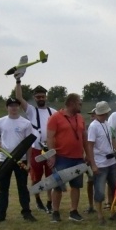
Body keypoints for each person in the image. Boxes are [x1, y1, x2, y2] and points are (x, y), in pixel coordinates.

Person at [0, 97, 37, 223]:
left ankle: (26, 212)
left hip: (20, 160)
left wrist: (29, 163)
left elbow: (28, 145)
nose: (14, 108)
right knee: (3, 188)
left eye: (16, 105)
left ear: (19, 107)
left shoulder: (25, 123)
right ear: (7, 107)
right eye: (11, 106)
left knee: (22, 187)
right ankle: (0, 214)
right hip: (4, 159)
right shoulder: (0, 122)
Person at [46, 93, 87, 222]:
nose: (81, 105)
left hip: (78, 157)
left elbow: (84, 138)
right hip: (61, 157)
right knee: (58, 186)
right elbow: (50, 138)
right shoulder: (55, 117)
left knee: (76, 185)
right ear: (72, 103)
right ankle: (55, 212)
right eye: (79, 103)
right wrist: (51, 155)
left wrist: (87, 155)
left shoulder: (80, 118)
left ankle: (73, 211)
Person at [16, 83, 55, 213]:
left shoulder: (53, 112)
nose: (40, 99)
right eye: (38, 97)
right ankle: (38, 200)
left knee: (50, 177)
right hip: (35, 148)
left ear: (46, 97)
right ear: (34, 98)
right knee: (36, 177)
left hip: (49, 149)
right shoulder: (32, 111)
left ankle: (50, 201)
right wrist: (18, 82)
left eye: (42, 96)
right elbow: (19, 98)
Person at [85, 101, 116, 224]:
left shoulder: (107, 124)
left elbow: (112, 139)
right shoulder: (93, 126)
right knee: (100, 191)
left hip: (111, 162)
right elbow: (90, 146)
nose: (106, 115)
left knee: (114, 188)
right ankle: (100, 215)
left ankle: (114, 212)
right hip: (100, 164)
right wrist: (93, 165)